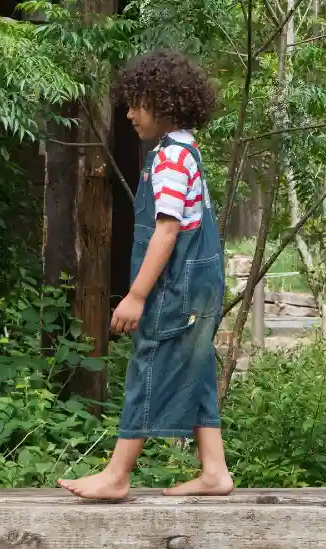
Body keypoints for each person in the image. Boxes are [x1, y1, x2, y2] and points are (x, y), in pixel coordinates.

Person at [58, 49, 233, 499]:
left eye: (138, 103)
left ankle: (117, 474)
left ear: (166, 102)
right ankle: (214, 470)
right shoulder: (181, 150)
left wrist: (136, 295)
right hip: (196, 284)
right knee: (194, 367)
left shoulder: (173, 158)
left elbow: (167, 231)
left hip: (179, 286)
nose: (130, 113)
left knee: (148, 362)